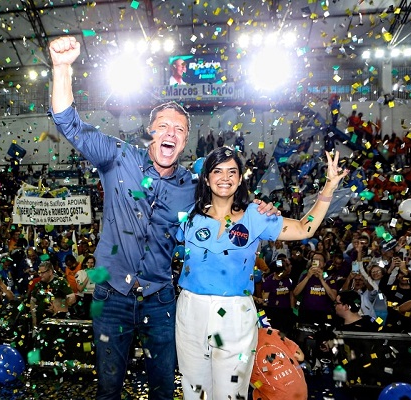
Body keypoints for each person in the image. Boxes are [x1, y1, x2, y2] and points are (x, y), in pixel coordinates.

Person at [49, 36, 278, 400]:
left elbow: (229, 197)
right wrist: (62, 69)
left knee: (162, 390)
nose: (171, 133)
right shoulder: (117, 157)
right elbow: (69, 123)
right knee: (108, 389)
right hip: (111, 298)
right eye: (164, 127)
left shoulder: (194, 187)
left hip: (160, 302)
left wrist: (260, 208)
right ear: (150, 133)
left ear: (185, 141)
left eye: (179, 130)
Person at [175, 147, 348, 399]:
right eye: (217, 171)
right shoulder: (188, 214)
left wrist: (329, 187)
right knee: (195, 390)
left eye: (232, 171)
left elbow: (303, 229)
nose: (225, 177)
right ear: (206, 177)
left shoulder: (257, 214)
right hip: (191, 308)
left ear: (240, 177)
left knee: (231, 392)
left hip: (235, 312)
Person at [250, 327, 307, 400]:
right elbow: (300, 356)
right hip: (300, 394)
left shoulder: (239, 351)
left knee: (255, 383)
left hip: (276, 397)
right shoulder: (272, 332)